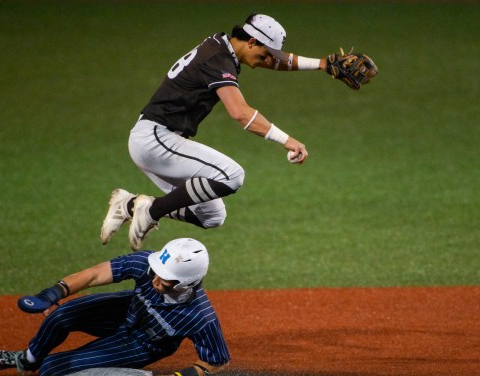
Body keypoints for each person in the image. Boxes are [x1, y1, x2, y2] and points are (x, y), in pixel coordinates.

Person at [100, 13, 332, 251]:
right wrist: (287, 140)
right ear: (251, 41)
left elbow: (276, 60)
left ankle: (128, 205)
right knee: (231, 175)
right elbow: (240, 113)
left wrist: (321, 64)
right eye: (264, 54)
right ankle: (150, 211)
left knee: (211, 215)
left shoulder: (222, 47)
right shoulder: (217, 59)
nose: (266, 61)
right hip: (155, 139)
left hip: (158, 141)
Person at [0, 238, 230, 376]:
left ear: (185, 284)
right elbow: (95, 274)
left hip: (142, 344)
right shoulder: (146, 264)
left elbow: (216, 360)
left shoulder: (199, 316)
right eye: (156, 271)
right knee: (61, 315)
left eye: (165, 280)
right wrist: (52, 294)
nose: (155, 280)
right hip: (126, 309)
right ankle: (26, 360)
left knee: (51, 370)